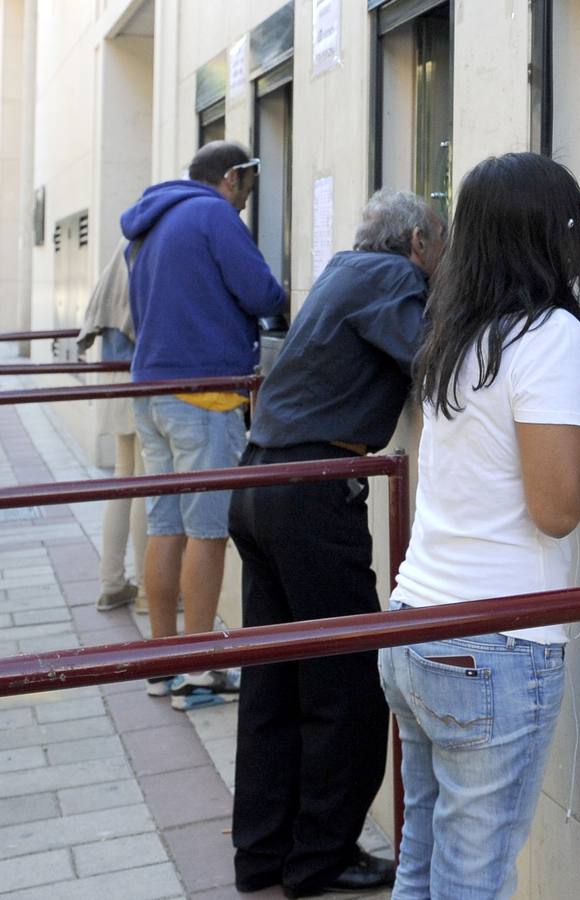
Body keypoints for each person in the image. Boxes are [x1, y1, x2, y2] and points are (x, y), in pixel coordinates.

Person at [378, 153, 580, 898]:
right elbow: (556, 512)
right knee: (472, 881)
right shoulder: (549, 334)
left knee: (422, 862)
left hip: (416, 626)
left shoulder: (458, 332)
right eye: (578, 220)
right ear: (548, 233)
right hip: (494, 645)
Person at [227, 189, 444, 897]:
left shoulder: (343, 270)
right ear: (418, 245)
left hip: (260, 478)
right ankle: (322, 856)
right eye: (441, 253)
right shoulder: (393, 278)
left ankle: (262, 853)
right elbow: (436, 362)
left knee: (275, 679)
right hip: (312, 491)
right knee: (347, 683)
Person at [119, 141, 286, 702]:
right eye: (248, 184)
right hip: (205, 397)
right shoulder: (213, 214)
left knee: (165, 526)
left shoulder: (151, 218)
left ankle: (162, 662)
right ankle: (200, 669)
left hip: (152, 390)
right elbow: (262, 292)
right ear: (233, 177)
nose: (245, 201)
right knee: (207, 532)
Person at [77, 237, 148, 613]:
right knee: (143, 484)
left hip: (113, 372)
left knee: (125, 480)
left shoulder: (123, 244)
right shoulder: (147, 246)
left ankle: (112, 583)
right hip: (136, 375)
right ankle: (150, 594)